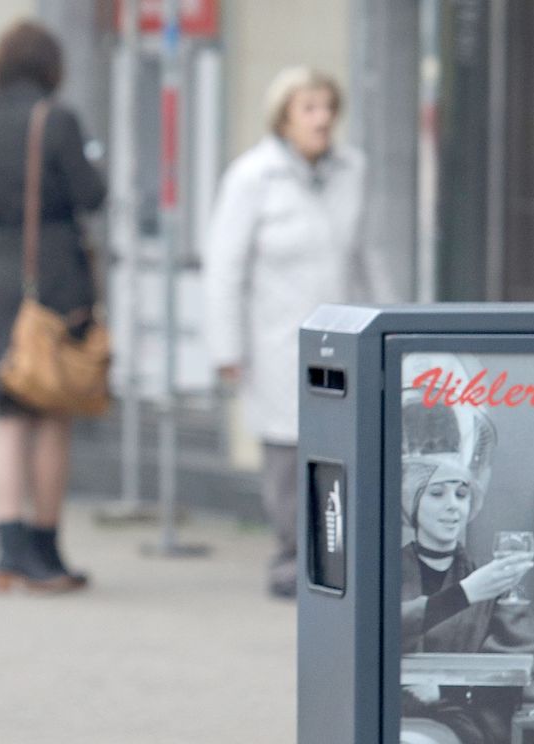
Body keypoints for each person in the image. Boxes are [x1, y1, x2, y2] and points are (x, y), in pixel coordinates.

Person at [204, 67, 386, 599]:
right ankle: (289, 558)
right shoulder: (252, 177)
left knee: (348, 444)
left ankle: (339, 559)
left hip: (345, 332)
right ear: (284, 117)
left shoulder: (354, 170)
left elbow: (369, 254)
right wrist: (226, 347)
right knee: (287, 453)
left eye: (328, 106)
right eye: (309, 108)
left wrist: (391, 322)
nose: (322, 118)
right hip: (277, 338)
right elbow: (224, 267)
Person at [0, 20, 107, 593]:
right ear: (50, 66)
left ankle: (9, 551)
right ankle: (46, 552)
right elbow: (91, 195)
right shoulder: (58, 118)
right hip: (54, 274)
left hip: (3, 272)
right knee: (52, 411)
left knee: (8, 415)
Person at [395, 382, 534, 744]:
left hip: (451, 730)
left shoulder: (491, 578)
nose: (451, 506)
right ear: (413, 502)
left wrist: (449, 692)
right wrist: (463, 595)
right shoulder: (384, 571)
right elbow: (375, 632)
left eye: (461, 494)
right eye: (437, 493)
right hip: (376, 721)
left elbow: (526, 661)